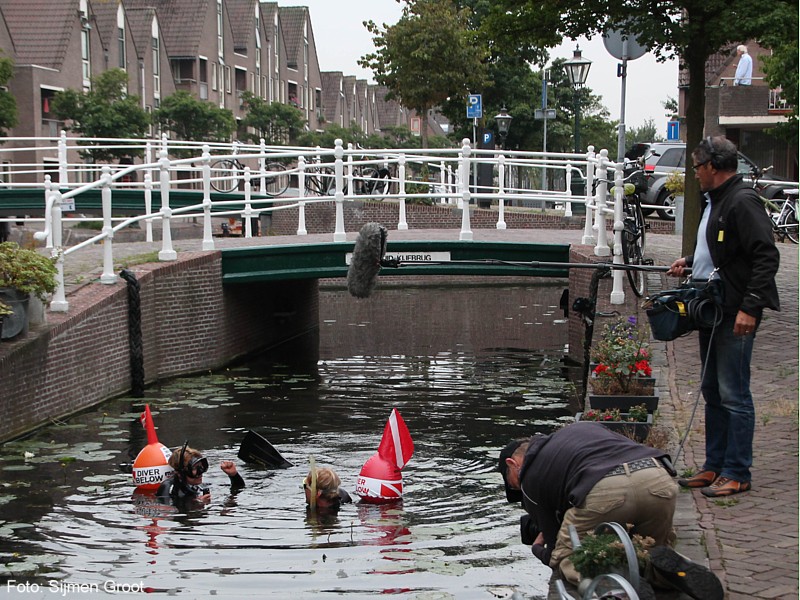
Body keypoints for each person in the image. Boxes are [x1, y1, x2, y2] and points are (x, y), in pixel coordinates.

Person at [667, 136, 779, 497]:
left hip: (734, 312)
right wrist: (691, 263)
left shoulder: (742, 201)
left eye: (697, 167)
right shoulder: (717, 199)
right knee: (712, 390)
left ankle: (737, 471)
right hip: (714, 308)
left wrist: (751, 307)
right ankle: (714, 466)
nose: (695, 174)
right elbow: (722, 249)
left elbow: (766, 255)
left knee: (734, 393)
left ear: (712, 166)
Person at [499, 422, 723, 600]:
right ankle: (675, 573)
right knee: (649, 547)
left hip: (605, 488)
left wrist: (540, 550)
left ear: (513, 464)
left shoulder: (529, 476)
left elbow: (555, 544)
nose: (518, 488)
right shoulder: (581, 429)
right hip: (656, 477)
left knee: (569, 559)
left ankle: (615, 586)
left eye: (512, 484)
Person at [156, 442, 244, 504]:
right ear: (180, 472)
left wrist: (233, 475)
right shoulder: (168, 488)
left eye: (201, 467)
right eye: (195, 468)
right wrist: (196, 504)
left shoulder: (199, 486)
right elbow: (168, 511)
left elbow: (239, 489)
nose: (201, 472)